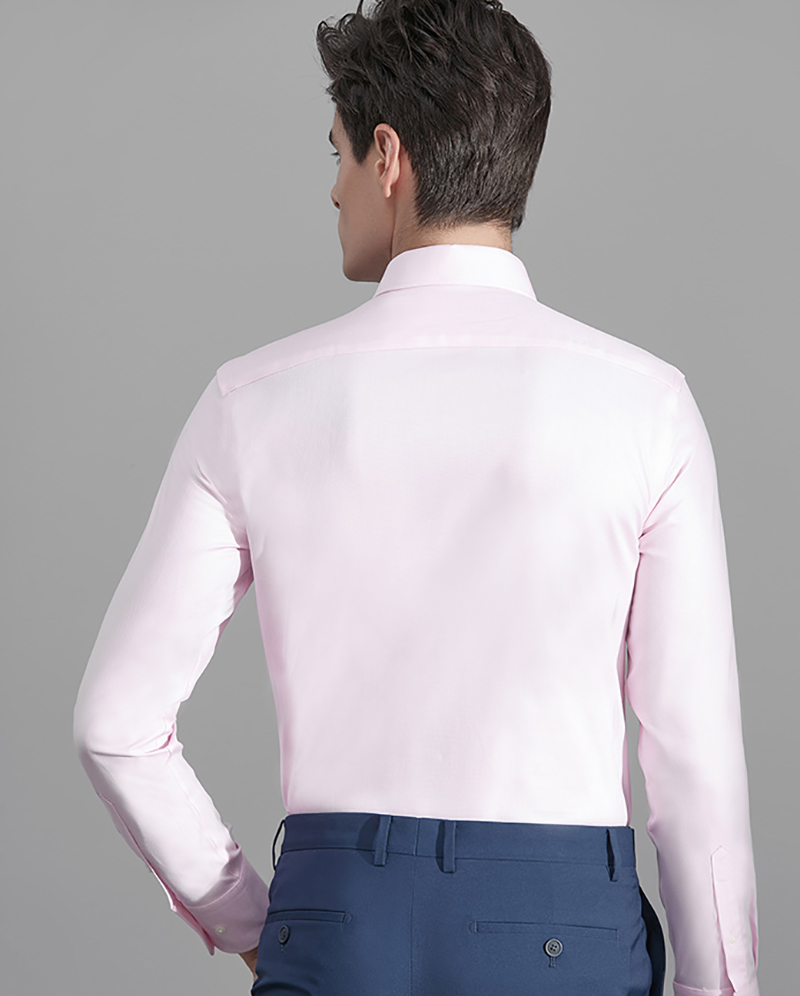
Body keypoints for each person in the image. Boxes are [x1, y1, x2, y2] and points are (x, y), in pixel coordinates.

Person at [73, 2, 760, 994]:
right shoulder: (646, 405)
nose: (333, 187)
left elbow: (114, 724)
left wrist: (253, 920)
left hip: (337, 919)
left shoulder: (252, 401)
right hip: (560, 926)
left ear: (388, 157)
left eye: (339, 153)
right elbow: (693, 764)